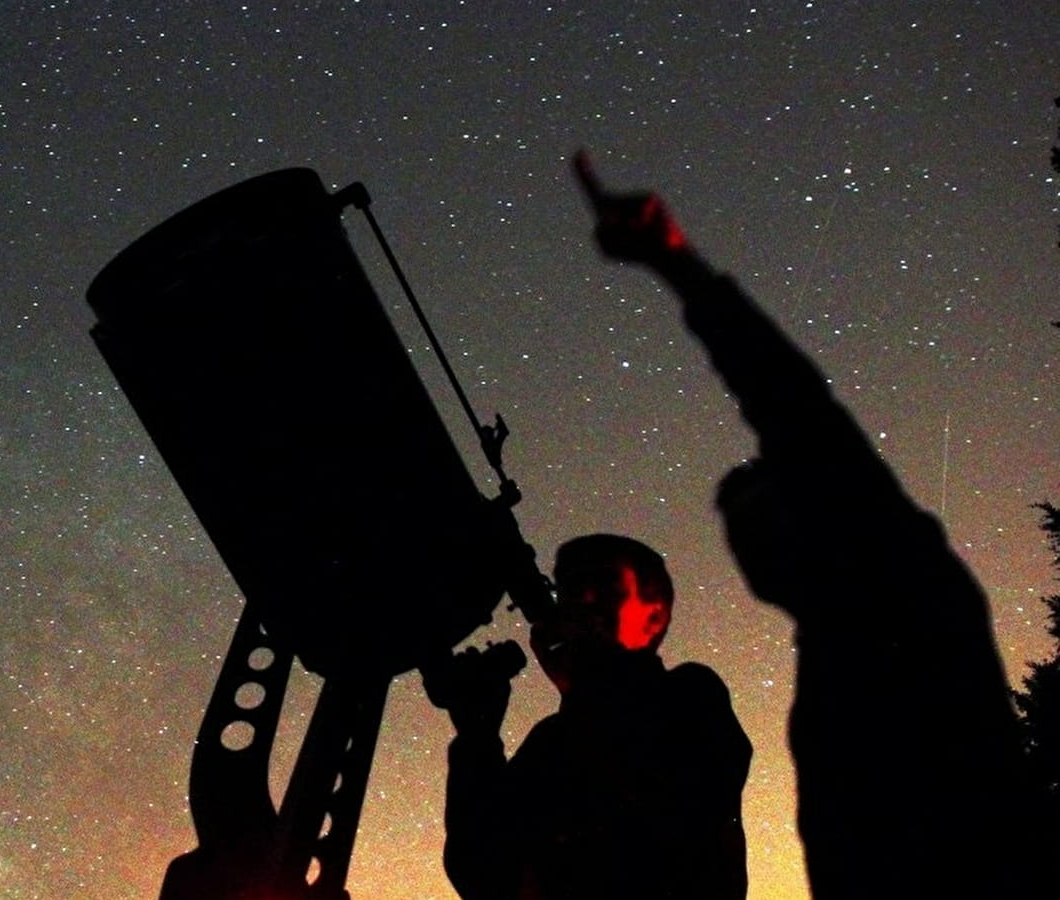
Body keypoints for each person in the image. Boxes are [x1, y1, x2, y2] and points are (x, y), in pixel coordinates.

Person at [571, 153, 1044, 897]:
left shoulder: (902, 579)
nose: (746, 540)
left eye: (759, 506)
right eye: (734, 527)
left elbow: (793, 406)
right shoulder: (830, 654)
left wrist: (678, 265)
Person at [429, 533, 751, 900]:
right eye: (570, 590)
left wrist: (578, 689)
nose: (580, 604)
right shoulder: (551, 741)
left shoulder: (692, 693)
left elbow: (666, 806)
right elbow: (481, 872)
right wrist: (478, 736)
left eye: (604, 588)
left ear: (655, 614)